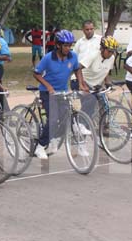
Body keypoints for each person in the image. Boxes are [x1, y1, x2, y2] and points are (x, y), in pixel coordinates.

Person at [32, 29, 89, 160]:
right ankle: (40, 146)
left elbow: (77, 69)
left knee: (66, 117)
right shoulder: (48, 58)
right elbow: (36, 73)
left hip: (62, 91)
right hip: (47, 92)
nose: (68, 48)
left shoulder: (73, 56)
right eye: (65, 45)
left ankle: (54, 138)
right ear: (58, 45)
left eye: (70, 45)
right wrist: (48, 86)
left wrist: (81, 83)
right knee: (53, 119)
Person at [78, 35, 119, 121]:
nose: (111, 54)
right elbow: (78, 68)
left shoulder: (111, 58)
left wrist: (107, 82)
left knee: (104, 102)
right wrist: (81, 84)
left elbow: (105, 70)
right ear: (102, 49)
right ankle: (81, 124)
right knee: (90, 102)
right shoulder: (93, 55)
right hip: (80, 81)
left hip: (94, 85)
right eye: (109, 51)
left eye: (113, 51)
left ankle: (103, 125)